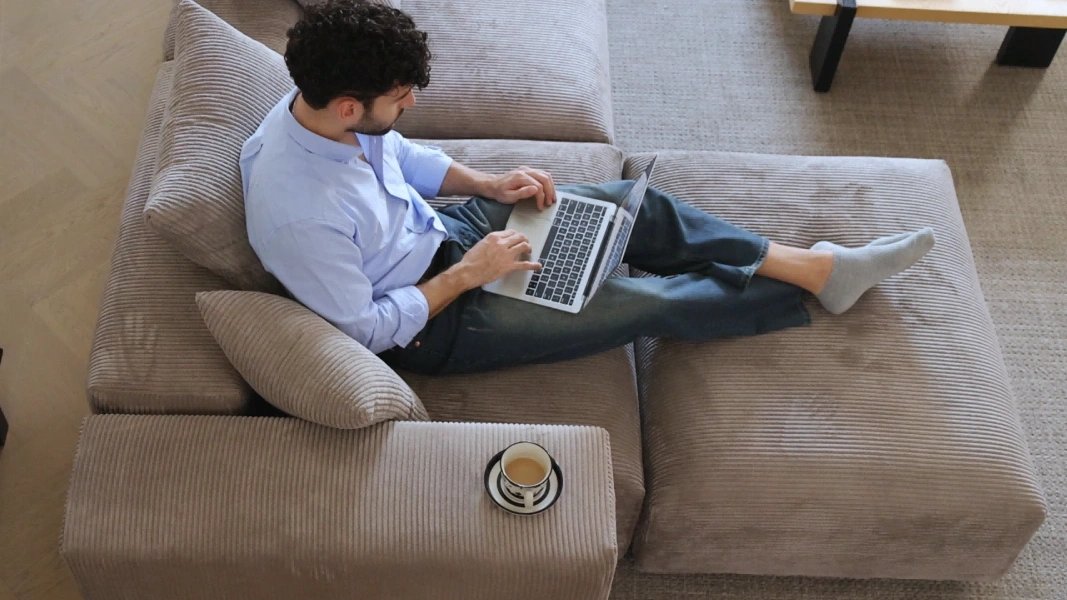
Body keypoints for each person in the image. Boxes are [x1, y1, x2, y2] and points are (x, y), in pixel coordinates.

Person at [241, 0, 934, 375]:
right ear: (347, 107)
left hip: (446, 234)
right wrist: (468, 277)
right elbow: (364, 329)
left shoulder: (311, 108)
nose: (410, 106)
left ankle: (815, 269)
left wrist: (485, 182)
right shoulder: (301, 217)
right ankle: (813, 288)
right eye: (399, 96)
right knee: (641, 302)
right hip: (436, 324)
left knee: (636, 210)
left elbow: (401, 154)